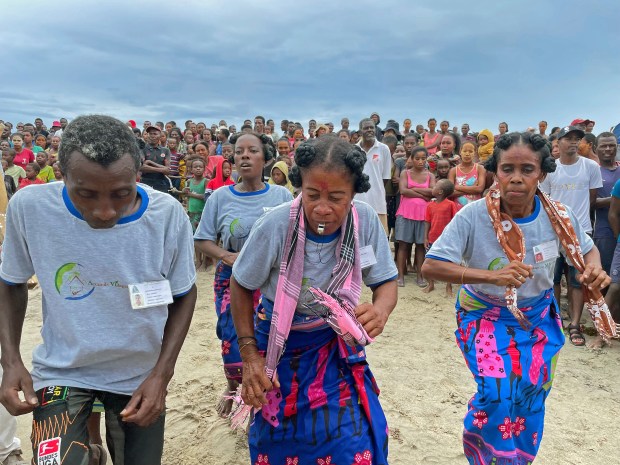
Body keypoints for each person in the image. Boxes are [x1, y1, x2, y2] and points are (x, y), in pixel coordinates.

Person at [0, 115, 197, 465]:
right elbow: (11, 283)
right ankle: (89, 453)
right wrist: (11, 360)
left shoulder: (167, 216)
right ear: (61, 174)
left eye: (122, 194)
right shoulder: (29, 208)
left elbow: (184, 294)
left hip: (139, 375)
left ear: (137, 175)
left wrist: (161, 376)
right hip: (63, 369)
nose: (105, 212)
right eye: (85, 194)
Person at [422, 132, 610, 465]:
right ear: (495, 171)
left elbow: (588, 250)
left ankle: (518, 459)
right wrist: (491, 276)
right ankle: (489, 458)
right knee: (495, 394)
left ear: (542, 173)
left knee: (531, 393)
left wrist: (593, 269)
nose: (517, 178)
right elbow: (431, 266)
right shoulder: (474, 215)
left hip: (538, 318)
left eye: (528, 169)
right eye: (508, 168)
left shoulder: (559, 217)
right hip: (483, 317)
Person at [229, 136, 397, 465]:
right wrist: (249, 355)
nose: (322, 207)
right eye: (312, 195)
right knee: (277, 442)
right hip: (278, 349)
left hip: (335, 347)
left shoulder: (363, 222)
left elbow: (386, 282)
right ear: (299, 187)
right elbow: (240, 284)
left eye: (336, 197)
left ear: (354, 194)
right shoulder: (275, 225)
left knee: (349, 441)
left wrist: (381, 309)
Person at [194, 132, 292, 417]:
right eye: (239, 152)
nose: (245, 156)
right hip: (232, 277)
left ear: (265, 158)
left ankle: (261, 395)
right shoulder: (220, 197)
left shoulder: (281, 195)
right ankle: (233, 385)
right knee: (231, 333)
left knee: (267, 333)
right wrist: (226, 255)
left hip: (270, 278)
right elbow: (202, 239)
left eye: (252, 151)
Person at [540, 126, 602, 346]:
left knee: (577, 280)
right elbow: (545, 200)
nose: (574, 142)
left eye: (577, 138)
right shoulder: (550, 168)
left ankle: (575, 324)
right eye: (569, 138)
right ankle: (553, 320)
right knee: (552, 278)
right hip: (552, 232)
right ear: (559, 142)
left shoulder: (591, 167)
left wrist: (575, 222)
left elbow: (592, 199)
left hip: (581, 230)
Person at [395, 146, 434, 287]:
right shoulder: (405, 173)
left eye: (423, 158)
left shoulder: (430, 175)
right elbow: (403, 190)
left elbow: (433, 192)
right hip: (405, 213)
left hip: (424, 215)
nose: (420, 161)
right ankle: (400, 276)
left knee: (420, 246)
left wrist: (414, 189)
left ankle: (420, 276)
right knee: (403, 246)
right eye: (417, 158)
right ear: (411, 158)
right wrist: (422, 194)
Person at [355, 118, 392, 234]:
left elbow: (385, 177)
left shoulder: (383, 149)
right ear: (360, 132)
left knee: (378, 238)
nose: (370, 130)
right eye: (366, 128)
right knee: (359, 238)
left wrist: (375, 188)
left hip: (377, 202)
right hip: (357, 201)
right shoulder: (354, 149)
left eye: (372, 127)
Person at [423, 179, 457, 296]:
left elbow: (455, 221)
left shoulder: (450, 205)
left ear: (440, 192)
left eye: (435, 186)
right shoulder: (430, 205)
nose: (433, 186)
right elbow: (427, 222)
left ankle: (449, 286)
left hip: (447, 239)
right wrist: (425, 237)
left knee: (449, 262)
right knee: (429, 262)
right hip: (432, 238)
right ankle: (431, 284)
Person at [449, 141, 486, 209]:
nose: (467, 154)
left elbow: (479, 189)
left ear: (475, 153)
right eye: (465, 151)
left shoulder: (480, 169)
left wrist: (456, 187)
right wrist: (472, 188)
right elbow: (450, 192)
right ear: (460, 152)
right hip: (457, 210)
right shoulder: (453, 171)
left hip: (475, 209)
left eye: (470, 151)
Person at [140, 125, 171, 192]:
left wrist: (150, 162)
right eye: (150, 134)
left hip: (161, 182)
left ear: (160, 136)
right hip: (145, 182)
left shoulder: (165, 150)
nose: (152, 136)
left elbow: (168, 171)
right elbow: (141, 167)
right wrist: (162, 169)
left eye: (155, 134)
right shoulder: (142, 149)